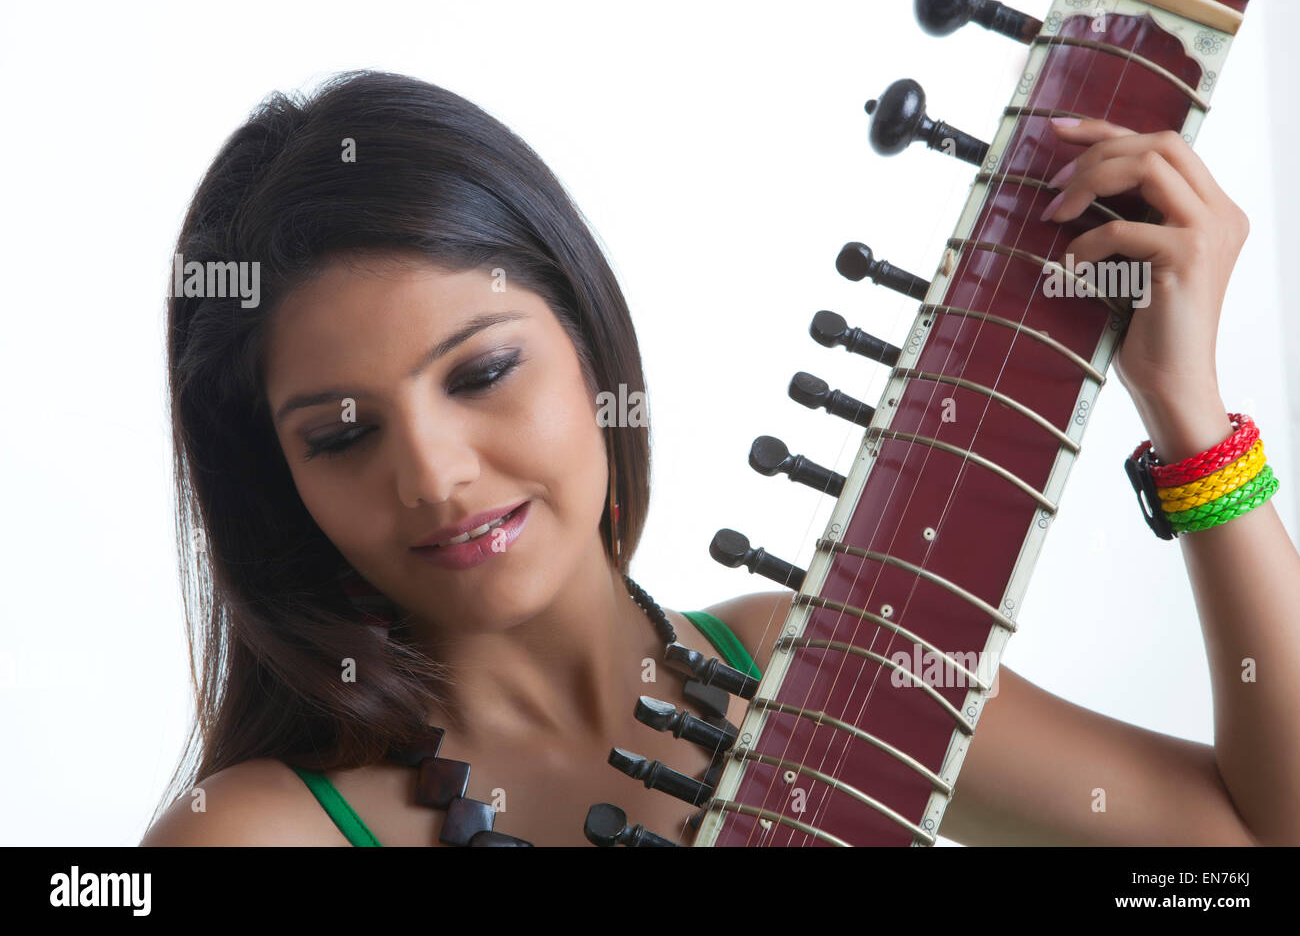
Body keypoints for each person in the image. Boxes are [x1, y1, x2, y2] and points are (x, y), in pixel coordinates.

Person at [140, 71, 1298, 847]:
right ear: (279, 479)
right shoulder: (259, 831)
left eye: (481, 373)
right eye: (342, 434)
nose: (434, 473)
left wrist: (1187, 414)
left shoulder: (812, 672)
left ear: (591, 347)